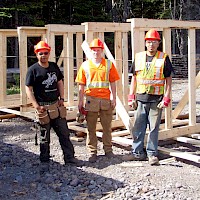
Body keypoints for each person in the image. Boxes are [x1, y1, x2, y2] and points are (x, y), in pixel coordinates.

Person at [25, 41, 78, 169]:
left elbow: (60, 82)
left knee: (64, 133)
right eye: (40, 53)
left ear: (49, 53)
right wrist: (36, 106)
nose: (43, 55)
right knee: (44, 136)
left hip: (56, 106)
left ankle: (69, 158)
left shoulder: (54, 67)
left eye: (46, 53)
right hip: (43, 107)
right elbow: (28, 88)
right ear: (36, 54)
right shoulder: (33, 70)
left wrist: (62, 98)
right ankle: (45, 161)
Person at [123, 29, 173, 165]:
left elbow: (168, 80)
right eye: (149, 42)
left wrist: (166, 98)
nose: (151, 44)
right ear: (145, 43)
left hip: (156, 100)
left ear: (158, 43)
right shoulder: (138, 57)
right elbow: (134, 78)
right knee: (138, 127)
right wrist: (131, 96)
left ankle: (152, 154)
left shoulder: (163, 58)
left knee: (153, 129)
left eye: (154, 42)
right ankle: (137, 153)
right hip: (140, 99)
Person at [75, 38, 120, 163]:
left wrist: (113, 97)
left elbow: (113, 82)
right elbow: (81, 85)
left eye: (98, 50)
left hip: (105, 99)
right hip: (91, 100)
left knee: (107, 127)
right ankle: (92, 152)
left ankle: (108, 150)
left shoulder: (109, 64)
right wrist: (80, 102)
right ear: (90, 51)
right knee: (91, 128)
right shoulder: (85, 65)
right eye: (93, 50)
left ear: (102, 51)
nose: (96, 52)